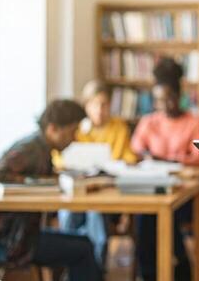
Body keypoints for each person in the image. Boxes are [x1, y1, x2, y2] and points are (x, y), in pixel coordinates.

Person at [0, 99, 101, 281]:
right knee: (83, 248)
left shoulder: (41, 148)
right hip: (8, 239)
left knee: (83, 242)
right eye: (72, 132)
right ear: (53, 128)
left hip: (20, 234)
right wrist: (40, 181)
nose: (75, 138)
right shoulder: (31, 149)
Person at [131, 57, 199, 281]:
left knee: (160, 214)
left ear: (179, 96)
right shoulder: (149, 121)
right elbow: (136, 150)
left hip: (182, 193)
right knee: (146, 214)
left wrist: (166, 159)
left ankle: (168, 269)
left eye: (170, 99)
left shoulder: (194, 122)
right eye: (158, 101)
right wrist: (177, 158)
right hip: (151, 189)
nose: (164, 106)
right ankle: (162, 270)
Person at [57, 80, 138, 270]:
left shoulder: (119, 127)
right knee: (68, 211)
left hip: (106, 191)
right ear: (87, 106)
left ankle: (96, 268)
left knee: (95, 213)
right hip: (77, 190)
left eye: (104, 104)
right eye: (95, 104)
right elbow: (60, 159)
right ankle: (69, 266)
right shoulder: (76, 130)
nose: (100, 110)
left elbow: (129, 158)